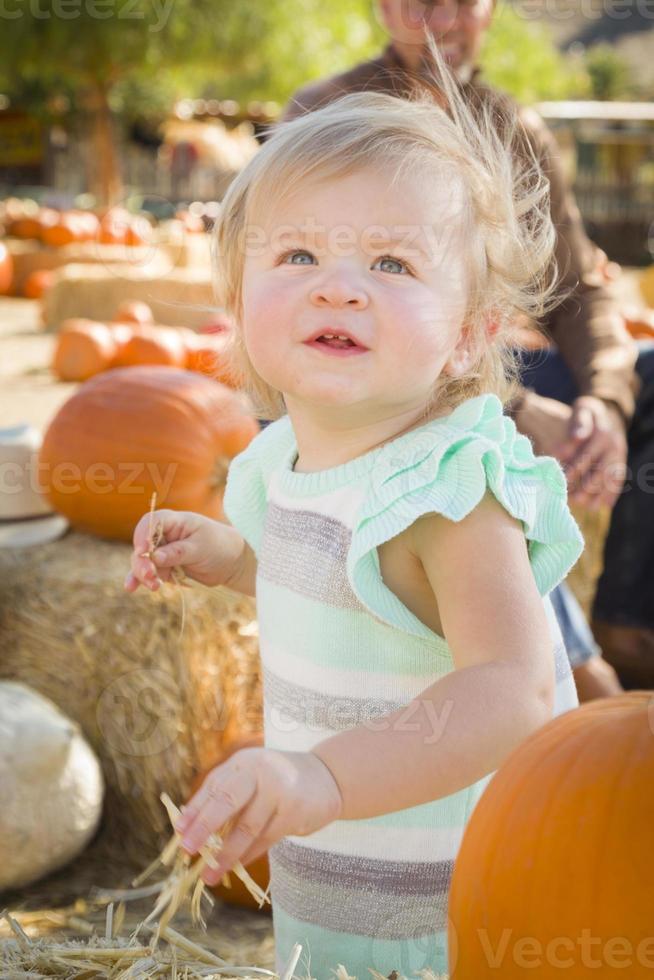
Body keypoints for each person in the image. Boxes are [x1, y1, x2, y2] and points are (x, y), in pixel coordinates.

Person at [125, 47, 584, 978]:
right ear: (239, 299)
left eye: (390, 261)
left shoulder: (451, 489)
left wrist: (321, 777)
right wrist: (229, 553)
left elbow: (514, 685)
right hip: (329, 895)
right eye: (298, 255)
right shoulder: (280, 457)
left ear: (470, 330)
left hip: (452, 920)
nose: (339, 286)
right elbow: (335, 577)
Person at [279, 0, 653, 693]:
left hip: (478, 363)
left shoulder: (514, 127)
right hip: (373, 386)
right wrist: (512, 407)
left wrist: (604, 403)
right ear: (382, 8)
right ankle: (569, 667)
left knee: (649, 375)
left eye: (462, 2)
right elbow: (358, 321)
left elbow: (576, 287)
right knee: (464, 457)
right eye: (419, 2)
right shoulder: (331, 115)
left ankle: (630, 626)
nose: (442, 21)